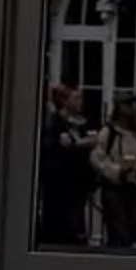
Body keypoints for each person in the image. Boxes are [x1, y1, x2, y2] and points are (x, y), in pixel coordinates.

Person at [90, 95, 136, 249]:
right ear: (119, 107)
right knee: (119, 234)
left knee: (131, 234)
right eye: (128, 104)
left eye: (133, 104)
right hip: (115, 189)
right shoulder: (109, 132)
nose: (132, 107)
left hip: (135, 188)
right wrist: (117, 170)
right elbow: (97, 158)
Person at [38, 82, 97, 246]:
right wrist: (71, 145)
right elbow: (50, 149)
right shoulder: (55, 123)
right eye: (76, 98)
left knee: (76, 224)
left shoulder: (84, 123)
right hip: (59, 184)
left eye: (81, 98)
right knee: (60, 227)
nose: (80, 102)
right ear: (64, 100)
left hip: (79, 184)